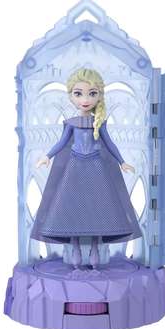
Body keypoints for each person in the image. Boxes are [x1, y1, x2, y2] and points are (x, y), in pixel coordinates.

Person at [30, 68, 142, 269]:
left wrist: (122, 161)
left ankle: (95, 249)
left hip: (96, 169)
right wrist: (47, 156)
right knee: (70, 208)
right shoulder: (71, 123)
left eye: (92, 93)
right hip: (74, 169)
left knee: (100, 208)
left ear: (99, 95)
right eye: (78, 93)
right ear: (71, 96)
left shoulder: (100, 123)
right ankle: (74, 247)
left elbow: (109, 143)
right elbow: (61, 143)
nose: (85, 99)